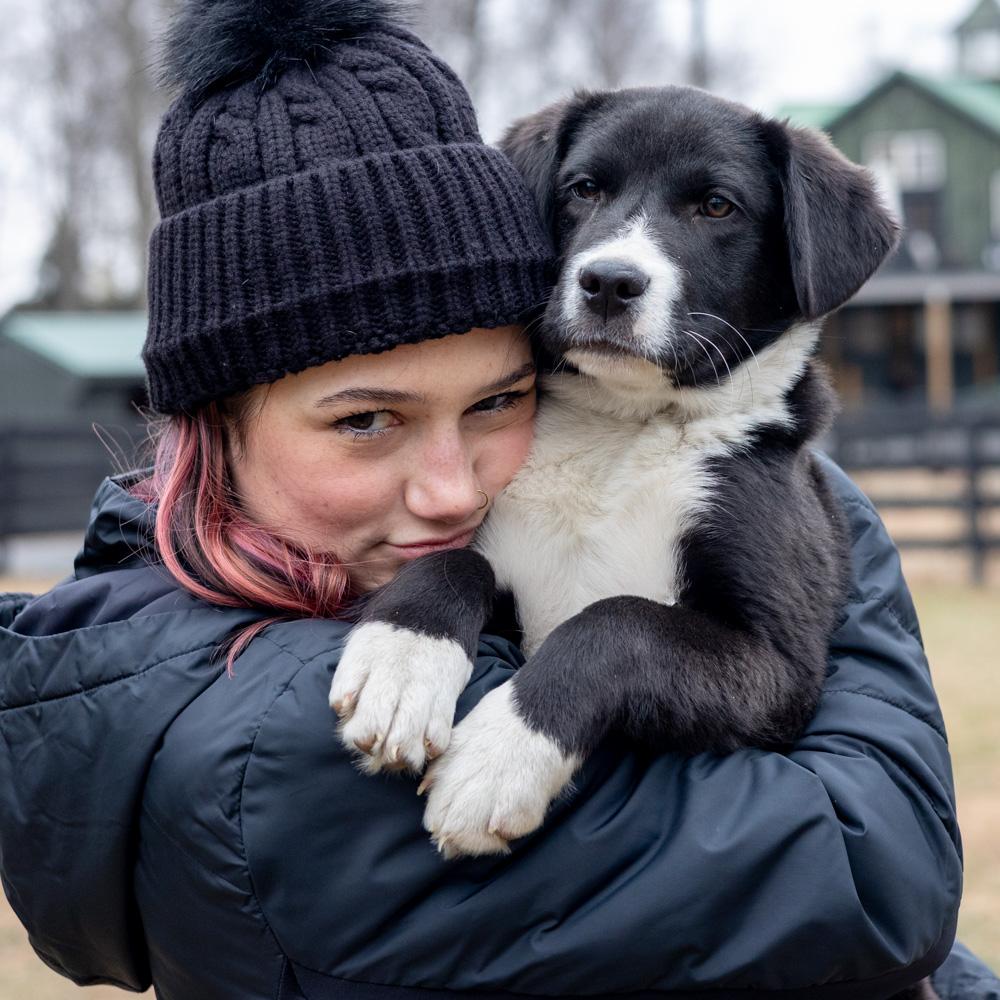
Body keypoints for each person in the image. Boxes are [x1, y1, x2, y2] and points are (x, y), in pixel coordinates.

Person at [0, 2, 996, 999]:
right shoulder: (275, 748)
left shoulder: (240, 608)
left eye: (495, 402)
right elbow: (878, 872)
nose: (452, 489)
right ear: (215, 421)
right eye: (364, 421)